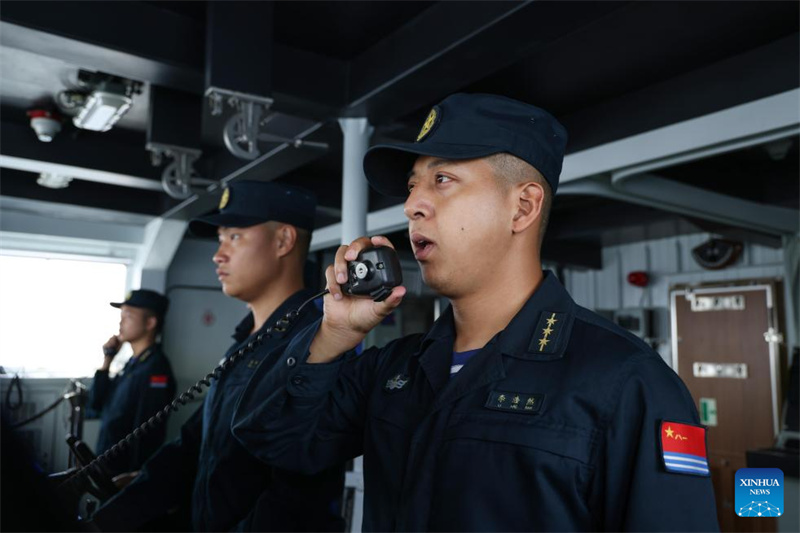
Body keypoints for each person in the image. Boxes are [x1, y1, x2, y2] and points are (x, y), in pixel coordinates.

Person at [232, 94, 720, 531]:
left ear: (523, 207)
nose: (411, 205)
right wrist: (334, 334)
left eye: (442, 179)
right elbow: (273, 441)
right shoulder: (395, 369)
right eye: (412, 186)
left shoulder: (626, 383)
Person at [92, 181, 345, 532]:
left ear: (283, 241)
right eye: (220, 239)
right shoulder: (247, 342)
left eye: (235, 237)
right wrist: (128, 502)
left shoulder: (316, 344)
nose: (218, 254)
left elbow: (294, 494)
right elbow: (197, 443)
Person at [88, 289, 176, 477]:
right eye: (121, 316)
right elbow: (96, 403)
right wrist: (108, 359)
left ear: (150, 323)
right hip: (108, 463)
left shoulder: (155, 370)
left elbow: (147, 433)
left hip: (124, 473)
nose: (120, 322)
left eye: (128, 316)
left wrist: (136, 476)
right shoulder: (133, 364)